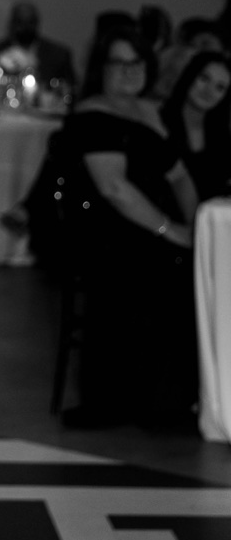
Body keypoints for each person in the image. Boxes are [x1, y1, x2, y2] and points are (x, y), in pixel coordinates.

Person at [58, 27, 199, 427]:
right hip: (113, 232)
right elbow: (114, 188)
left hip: (155, 226)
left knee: (204, 264)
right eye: (117, 62)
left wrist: (194, 225)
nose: (127, 71)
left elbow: (179, 175)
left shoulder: (151, 110)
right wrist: (170, 230)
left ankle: (177, 397)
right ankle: (141, 401)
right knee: (160, 266)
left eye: (136, 62)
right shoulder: (92, 115)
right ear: (101, 68)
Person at [163, 49, 231, 201]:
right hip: (161, 220)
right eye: (204, 78)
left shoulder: (222, 135)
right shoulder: (158, 119)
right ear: (190, 75)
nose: (209, 91)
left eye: (220, 87)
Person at [0, 0, 76, 93]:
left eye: (30, 22)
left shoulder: (58, 54)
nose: (25, 28)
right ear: (12, 23)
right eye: (20, 22)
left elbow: (71, 88)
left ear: (37, 23)